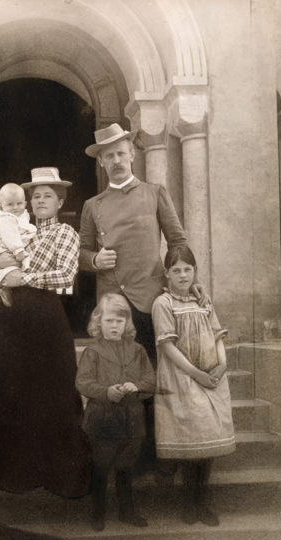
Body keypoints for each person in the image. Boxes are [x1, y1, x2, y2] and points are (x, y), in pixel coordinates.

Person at [79, 122, 206, 476]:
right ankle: (118, 461)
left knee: (150, 381)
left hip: (150, 301)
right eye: (109, 156)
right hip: (112, 306)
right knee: (112, 382)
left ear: (132, 154)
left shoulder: (154, 192)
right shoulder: (93, 205)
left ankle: (154, 455)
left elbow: (178, 241)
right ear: (102, 162)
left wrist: (189, 282)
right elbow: (80, 251)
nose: (117, 160)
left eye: (121, 153)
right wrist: (93, 260)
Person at [0, 167, 91, 498]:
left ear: (59, 202)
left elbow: (66, 275)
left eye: (48, 196)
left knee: (55, 389)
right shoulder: (17, 228)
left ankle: (60, 476)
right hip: (13, 318)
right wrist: (3, 267)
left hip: (46, 317)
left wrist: (23, 278)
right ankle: (16, 474)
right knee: (14, 388)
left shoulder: (65, 234)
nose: (40, 201)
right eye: (36, 196)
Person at [152, 247, 236, 526]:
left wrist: (222, 364)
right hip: (182, 377)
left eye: (188, 269)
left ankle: (202, 501)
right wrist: (196, 374)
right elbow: (167, 346)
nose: (183, 275)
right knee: (193, 440)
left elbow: (218, 334)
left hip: (212, 376)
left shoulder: (203, 300)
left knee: (209, 439)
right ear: (167, 274)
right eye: (176, 270)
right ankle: (188, 502)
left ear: (195, 271)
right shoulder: (163, 303)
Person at [76, 293, 156, 531]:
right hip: (102, 421)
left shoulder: (138, 350)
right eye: (109, 320)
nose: (114, 326)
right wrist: (107, 391)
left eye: (119, 321)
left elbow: (150, 380)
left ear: (127, 323)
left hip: (132, 421)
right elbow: (83, 382)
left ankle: (127, 512)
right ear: (99, 321)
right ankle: (97, 513)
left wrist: (138, 387)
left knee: (126, 468)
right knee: (100, 468)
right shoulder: (93, 351)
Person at [0, 182, 36, 307]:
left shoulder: (22, 216)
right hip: (2, 249)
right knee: (14, 266)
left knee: (12, 268)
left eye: (19, 203)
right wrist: (18, 251)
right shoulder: (6, 218)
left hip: (8, 250)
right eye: (10, 204)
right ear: (1, 207)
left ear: (25, 204)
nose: (15, 207)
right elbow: (10, 237)